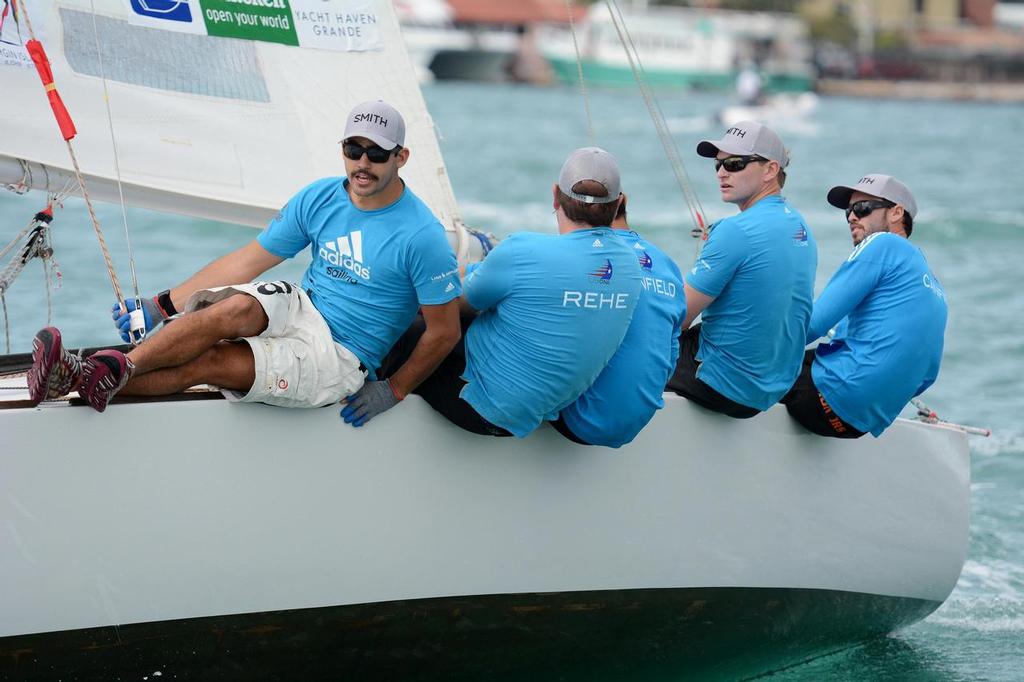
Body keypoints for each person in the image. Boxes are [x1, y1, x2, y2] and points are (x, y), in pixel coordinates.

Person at [27, 100, 463, 425]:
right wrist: (161, 306)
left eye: (378, 153)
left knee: (210, 364)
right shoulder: (321, 196)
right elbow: (248, 261)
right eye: (354, 149)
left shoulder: (422, 236)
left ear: (401, 157)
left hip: (339, 355)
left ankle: (78, 376)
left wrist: (395, 389)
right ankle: (101, 372)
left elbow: (444, 331)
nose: (362, 163)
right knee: (230, 308)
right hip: (304, 307)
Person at [379, 147, 642, 438]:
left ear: (555, 195)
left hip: (479, 408)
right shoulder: (631, 264)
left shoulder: (523, 250)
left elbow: (453, 301)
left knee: (405, 325)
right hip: (540, 413)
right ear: (618, 204)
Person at [666, 120, 817, 418]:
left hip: (726, 388)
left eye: (735, 164)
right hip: (772, 386)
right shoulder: (801, 227)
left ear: (771, 170)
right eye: (718, 164)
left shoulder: (735, 230)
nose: (722, 172)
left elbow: (678, 318)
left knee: (638, 332)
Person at [782, 174, 947, 438]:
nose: (851, 217)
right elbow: (928, 374)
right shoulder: (932, 283)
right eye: (848, 211)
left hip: (825, 399)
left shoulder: (882, 243)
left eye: (863, 208)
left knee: (730, 355)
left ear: (895, 213)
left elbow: (811, 326)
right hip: (859, 424)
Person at [551, 194, 686, 447]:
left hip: (581, 422)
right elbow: (670, 353)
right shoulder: (666, 263)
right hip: (635, 420)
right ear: (620, 201)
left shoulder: (586, 257)